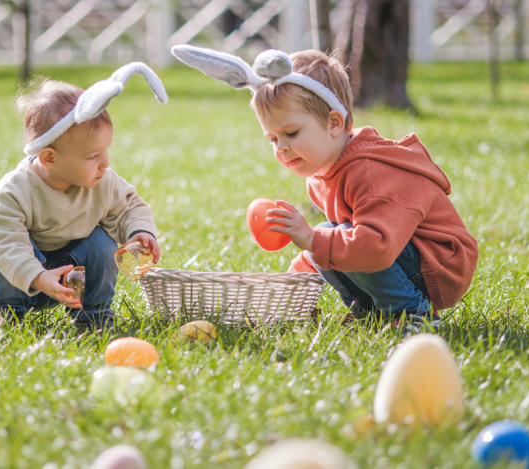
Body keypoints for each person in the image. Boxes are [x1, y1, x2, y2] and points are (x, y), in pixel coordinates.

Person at [171, 45, 478, 326]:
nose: (281, 148)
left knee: (334, 238)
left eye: (291, 133)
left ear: (334, 123)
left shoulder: (370, 172)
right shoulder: (321, 175)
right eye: (273, 139)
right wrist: (290, 283)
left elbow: (375, 248)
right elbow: (335, 240)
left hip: (439, 267)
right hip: (401, 256)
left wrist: (312, 239)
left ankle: (411, 313)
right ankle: (370, 310)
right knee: (331, 237)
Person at [0, 63, 167, 329]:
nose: (105, 163)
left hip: (65, 273)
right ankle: (3, 311)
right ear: (49, 158)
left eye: (105, 152)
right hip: (13, 269)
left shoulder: (102, 180)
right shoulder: (17, 189)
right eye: (93, 156)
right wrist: (37, 276)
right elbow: (3, 239)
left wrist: (139, 231)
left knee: (102, 244)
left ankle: (94, 314)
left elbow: (129, 207)